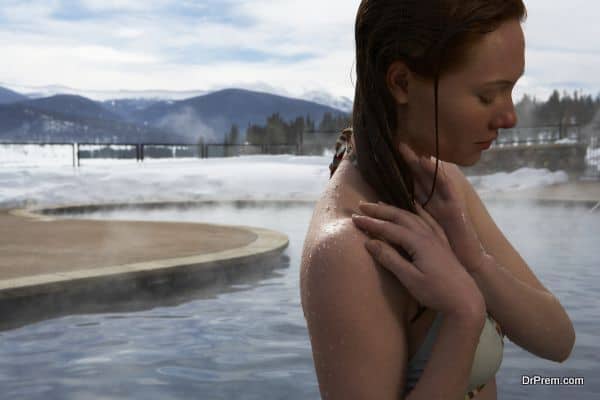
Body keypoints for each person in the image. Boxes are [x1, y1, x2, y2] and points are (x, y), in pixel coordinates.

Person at [299, 1, 576, 399]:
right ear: (401, 83)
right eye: (487, 95)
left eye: (512, 89)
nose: (510, 117)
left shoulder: (443, 185)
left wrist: (476, 264)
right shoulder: (348, 249)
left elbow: (558, 340)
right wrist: (464, 317)